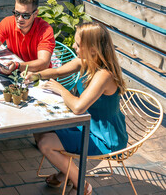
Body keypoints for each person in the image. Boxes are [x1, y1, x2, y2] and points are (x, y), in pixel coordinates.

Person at [24, 22, 128, 195]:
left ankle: (82, 185)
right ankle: (66, 173)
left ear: (93, 49)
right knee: (39, 128)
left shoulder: (103, 75)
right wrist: (36, 75)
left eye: (78, 44)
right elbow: (57, 72)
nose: (74, 46)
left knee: (45, 144)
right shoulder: (85, 62)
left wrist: (61, 89)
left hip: (104, 138)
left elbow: (79, 107)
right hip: (84, 125)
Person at [0, 0, 55, 74]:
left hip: (39, 75)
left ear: (35, 14)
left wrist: (17, 66)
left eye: (25, 15)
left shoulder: (45, 30)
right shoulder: (8, 22)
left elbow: (44, 63)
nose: (19, 19)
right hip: (15, 72)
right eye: (16, 13)